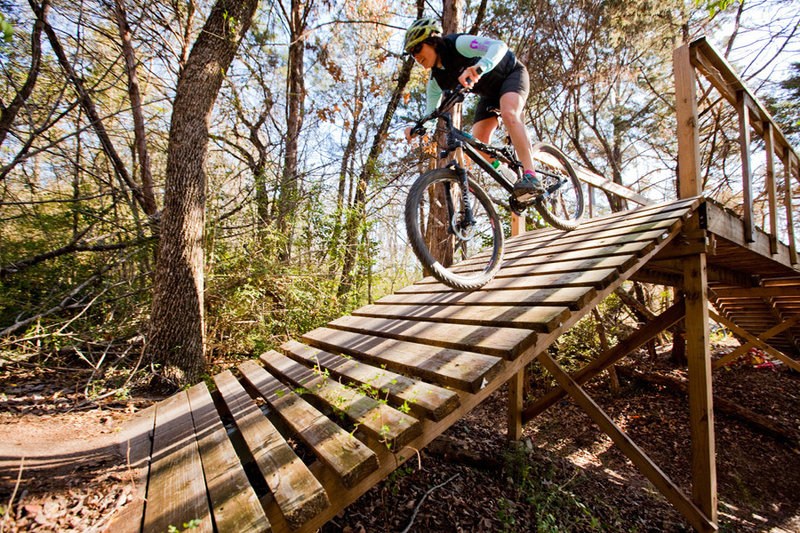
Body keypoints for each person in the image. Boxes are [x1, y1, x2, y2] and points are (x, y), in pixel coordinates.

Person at [402, 17, 544, 197]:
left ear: (432, 41)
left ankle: (532, 175)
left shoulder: (458, 43)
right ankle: (512, 178)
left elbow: (499, 46)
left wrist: (479, 66)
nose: (416, 57)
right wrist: (418, 128)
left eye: (417, 48)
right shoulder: (435, 81)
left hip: (511, 74)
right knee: (479, 143)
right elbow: (432, 114)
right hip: (490, 95)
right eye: (412, 54)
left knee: (509, 113)